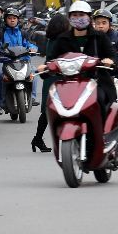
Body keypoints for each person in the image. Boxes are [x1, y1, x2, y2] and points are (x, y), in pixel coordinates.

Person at [30, 12, 75, 153]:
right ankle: (64, 138)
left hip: (49, 76)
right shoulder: (64, 40)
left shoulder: (50, 39)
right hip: (60, 76)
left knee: (47, 111)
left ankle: (38, 138)